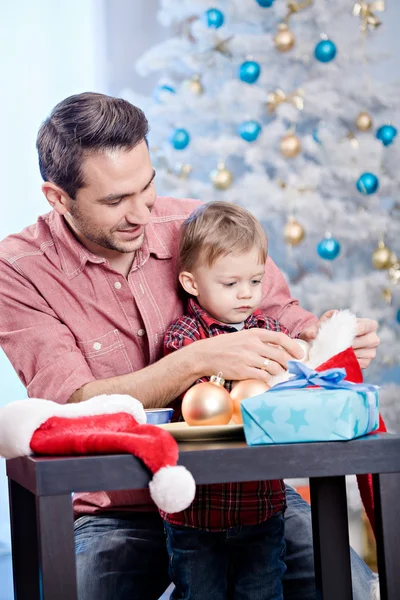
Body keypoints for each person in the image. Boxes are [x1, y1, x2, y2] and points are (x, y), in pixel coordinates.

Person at [0, 92, 379, 600]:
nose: (141, 213)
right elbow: (72, 404)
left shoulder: (195, 225)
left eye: (147, 186)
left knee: (351, 587)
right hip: (117, 513)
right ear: (58, 198)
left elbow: (288, 322)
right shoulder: (19, 271)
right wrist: (197, 360)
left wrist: (328, 337)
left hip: (240, 496)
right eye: (115, 201)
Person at [161, 201, 290, 600]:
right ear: (192, 283)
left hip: (261, 504)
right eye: (231, 284)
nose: (246, 295)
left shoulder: (269, 330)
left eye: (255, 281)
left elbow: (287, 383)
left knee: (263, 593)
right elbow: (195, 399)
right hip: (196, 512)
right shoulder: (184, 337)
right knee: (200, 594)